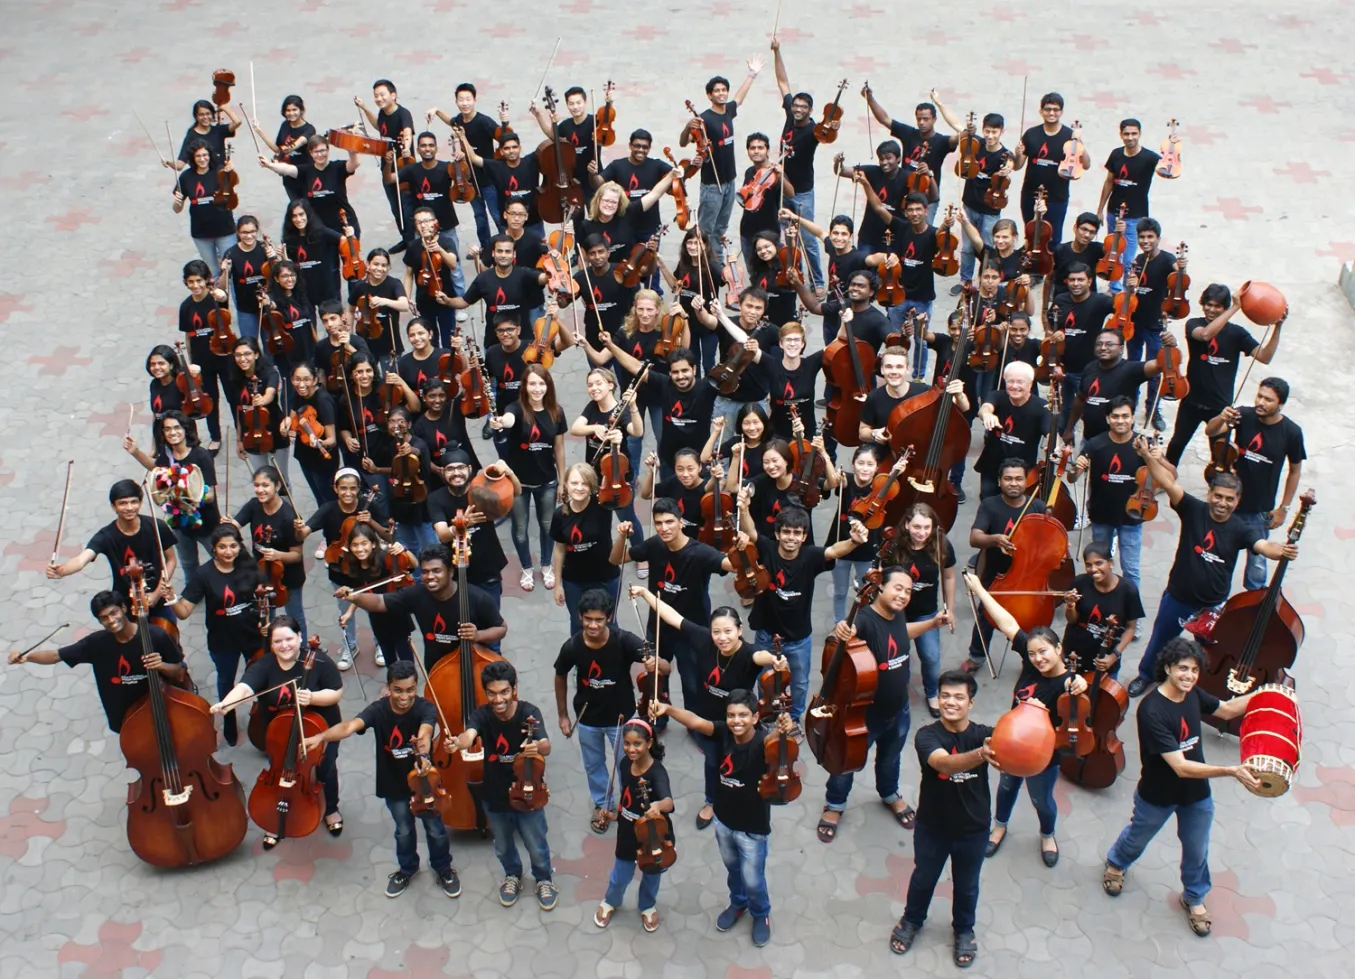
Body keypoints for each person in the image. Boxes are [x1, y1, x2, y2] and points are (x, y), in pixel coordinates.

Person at [1102, 639, 1265, 937]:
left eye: (1194, 670)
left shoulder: (1192, 694)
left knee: (1197, 850)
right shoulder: (1152, 710)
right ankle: (1117, 863)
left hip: (1196, 794)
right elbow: (1180, 767)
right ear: (1167, 668)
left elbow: (1227, 710)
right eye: (1182, 669)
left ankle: (1194, 897)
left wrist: (1267, 695)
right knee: (1138, 837)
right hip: (1158, 795)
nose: (1189, 675)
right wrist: (1231, 770)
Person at [1127, 436, 1300, 697]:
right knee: (1160, 640)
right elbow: (1167, 482)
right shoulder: (1192, 509)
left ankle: (1205, 689)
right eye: (1218, 496)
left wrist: (1283, 552)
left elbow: (1264, 546)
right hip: (1178, 596)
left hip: (1212, 605)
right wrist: (1148, 457)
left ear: (1237, 501)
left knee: (1211, 651)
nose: (1222, 503)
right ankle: (1146, 676)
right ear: (1209, 494)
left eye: (1229, 499)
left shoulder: (1242, 528)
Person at [303, 660, 460, 900]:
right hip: (393, 784)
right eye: (398, 690)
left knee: (436, 830)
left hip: (424, 782)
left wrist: (423, 751)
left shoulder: (425, 708)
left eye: (410, 690)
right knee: (404, 830)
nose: (405, 697)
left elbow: (426, 732)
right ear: (388, 687)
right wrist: (321, 737)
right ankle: (407, 869)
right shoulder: (378, 710)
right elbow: (348, 727)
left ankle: (443, 868)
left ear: (416, 687)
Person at [818, 566, 954, 842]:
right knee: (846, 762)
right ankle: (834, 804)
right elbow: (844, 633)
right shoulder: (865, 619)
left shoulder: (897, 614)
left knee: (891, 758)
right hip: (863, 714)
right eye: (897, 588)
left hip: (899, 709)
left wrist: (932, 624)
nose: (903, 595)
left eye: (908, 591)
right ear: (880, 587)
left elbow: (901, 633)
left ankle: (889, 793)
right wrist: (840, 630)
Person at [631, 588, 783, 835]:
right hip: (708, 721)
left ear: (740, 630)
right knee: (713, 763)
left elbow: (761, 655)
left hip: (739, 724)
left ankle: (742, 802)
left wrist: (775, 659)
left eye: (728, 631)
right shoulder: (703, 639)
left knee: (745, 765)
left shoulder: (748, 653)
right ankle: (712, 801)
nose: (722, 638)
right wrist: (645, 594)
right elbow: (672, 616)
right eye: (717, 632)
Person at [653, 691, 794, 948]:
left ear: (755, 718)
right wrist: (668, 709)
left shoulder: (765, 742)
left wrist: (785, 730)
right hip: (724, 821)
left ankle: (760, 914)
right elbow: (695, 721)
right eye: (731, 715)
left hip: (753, 828)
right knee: (733, 870)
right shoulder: (723, 732)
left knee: (753, 879)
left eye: (743, 715)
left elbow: (782, 744)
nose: (736, 721)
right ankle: (738, 903)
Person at [966, 573, 1087, 866]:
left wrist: (1081, 684)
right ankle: (999, 826)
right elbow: (1008, 623)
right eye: (1032, 654)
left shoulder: (1067, 683)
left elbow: (1078, 707)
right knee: (1006, 787)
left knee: (1041, 799)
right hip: (1011, 742)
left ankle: (1047, 834)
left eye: (1044, 651)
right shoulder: (1031, 664)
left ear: (1058, 649)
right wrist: (980, 589)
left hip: (1043, 754)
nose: (1038, 658)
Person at [889, 669, 996, 969]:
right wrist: (981, 755)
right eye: (945, 696)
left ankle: (964, 930)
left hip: (974, 829)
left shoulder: (984, 734)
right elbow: (944, 764)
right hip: (932, 828)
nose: (951, 702)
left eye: (959, 697)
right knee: (923, 879)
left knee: (967, 885)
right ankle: (912, 920)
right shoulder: (927, 735)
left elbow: (1022, 737)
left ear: (971, 703)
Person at [210, 615, 344, 842]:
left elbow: (336, 692)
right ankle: (276, 818)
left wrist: (312, 698)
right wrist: (227, 703)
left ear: (299, 637)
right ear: (271, 644)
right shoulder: (265, 665)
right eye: (278, 641)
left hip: (320, 731)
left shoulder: (319, 661)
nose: (284, 646)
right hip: (280, 734)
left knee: (325, 769)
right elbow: (245, 688)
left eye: (289, 639)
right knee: (281, 770)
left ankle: (330, 808)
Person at [443, 659, 559, 911]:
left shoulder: (529, 712)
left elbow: (546, 746)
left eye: (504, 692)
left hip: (529, 793)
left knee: (536, 844)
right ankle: (512, 876)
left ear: (514, 689)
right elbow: (469, 735)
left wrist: (537, 746)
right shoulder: (481, 715)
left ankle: (544, 879)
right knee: (503, 845)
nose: (498, 699)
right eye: (492, 693)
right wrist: (458, 743)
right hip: (495, 794)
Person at [553, 588, 666, 832]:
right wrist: (563, 715)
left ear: (609, 617)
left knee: (630, 764)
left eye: (599, 619)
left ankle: (631, 803)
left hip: (622, 718)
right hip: (587, 718)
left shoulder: (623, 640)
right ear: (579, 617)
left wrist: (656, 662)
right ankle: (603, 804)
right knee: (593, 765)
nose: (593, 625)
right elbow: (560, 675)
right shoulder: (572, 647)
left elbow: (664, 667)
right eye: (588, 619)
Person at [749, 505, 867, 726]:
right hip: (766, 635)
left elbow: (834, 551)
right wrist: (744, 507)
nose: (791, 537)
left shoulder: (810, 556)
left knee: (800, 683)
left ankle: (793, 719)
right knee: (764, 679)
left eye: (797, 533)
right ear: (777, 534)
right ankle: (766, 716)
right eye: (786, 531)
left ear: (804, 537)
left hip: (799, 638)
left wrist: (854, 541)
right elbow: (751, 532)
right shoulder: (767, 549)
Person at [8, 591, 184, 734]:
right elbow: (56, 656)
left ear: (123, 608)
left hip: (162, 706)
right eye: (104, 618)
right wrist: (27, 657)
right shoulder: (96, 643)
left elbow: (178, 671)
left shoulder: (156, 636)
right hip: (124, 714)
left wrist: (161, 666)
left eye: (113, 613)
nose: (111, 621)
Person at [612, 500, 728, 713]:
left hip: (690, 631)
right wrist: (622, 537)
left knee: (693, 685)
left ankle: (694, 724)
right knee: (656, 681)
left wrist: (741, 549)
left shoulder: (700, 552)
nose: (664, 528)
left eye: (669, 522)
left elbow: (729, 565)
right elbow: (615, 558)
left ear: (681, 522)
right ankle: (659, 718)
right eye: (658, 523)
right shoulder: (654, 545)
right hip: (658, 628)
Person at [1204, 377, 1305, 590]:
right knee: (1218, 553)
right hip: (1229, 502)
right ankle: (1214, 597)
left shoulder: (1291, 432)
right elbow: (1211, 431)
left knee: (1257, 561)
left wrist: (1284, 508)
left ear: (1280, 404)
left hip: (1259, 509)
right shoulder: (1243, 415)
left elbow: (1295, 471)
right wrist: (1221, 417)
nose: (1261, 402)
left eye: (1268, 400)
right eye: (1259, 396)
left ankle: (1255, 598)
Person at [339, 544, 506, 673]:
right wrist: (355, 596)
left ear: (450, 571)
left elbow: (501, 628)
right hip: (436, 666)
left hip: (474, 664)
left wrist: (478, 635)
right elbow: (378, 602)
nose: (430, 577)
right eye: (425, 572)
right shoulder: (417, 594)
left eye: (436, 571)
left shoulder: (477, 597)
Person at [1166, 284, 1283, 466]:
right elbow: (1206, 335)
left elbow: (1264, 357)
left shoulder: (1237, 334)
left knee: (1220, 456)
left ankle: (1217, 483)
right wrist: (1235, 307)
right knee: (1176, 445)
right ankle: (1164, 477)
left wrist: (1277, 327)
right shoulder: (1194, 324)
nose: (1212, 310)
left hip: (1220, 408)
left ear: (1224, 307)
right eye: (1208, 305)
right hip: (1192, 401)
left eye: (1218, 306)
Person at [165, 524, 260, 745]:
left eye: (233, 546)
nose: (229, 552)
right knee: (226, 681)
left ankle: (262, 718)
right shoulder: (204, 574)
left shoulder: (248, 566)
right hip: (222, 640)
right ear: (214, 549)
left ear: (240, 546)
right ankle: (229, 720)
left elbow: (263, 597)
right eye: (222, 547)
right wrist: (172, 599)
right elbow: (184, 612)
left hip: (252, 636)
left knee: (260, 678)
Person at [294, 467, 390, 667]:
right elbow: (303, 534)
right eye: (343, 488)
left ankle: (381, 642)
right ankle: (350, 645)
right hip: (340, 568)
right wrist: (299, 529)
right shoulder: (328, 509)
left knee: (374, 609)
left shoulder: (368, 506)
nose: (348, 493)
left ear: (358, 489)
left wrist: (372, 522)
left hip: (368, 568)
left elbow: (388, 536)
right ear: (335, 489)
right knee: (345, 611)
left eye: (353, 488)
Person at [47, 480, 178, 624]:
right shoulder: (106, 536)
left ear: (140, 503)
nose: (129, 508)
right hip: (125, 602)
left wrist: (157, 593)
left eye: (134, 502)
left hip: (160, 597)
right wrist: (62, 571)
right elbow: (80, 560)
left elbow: (171, 560)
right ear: (113, 506)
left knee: (167, 634)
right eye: (122, 503)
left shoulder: (157, 526)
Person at [1067, 396, 1163, 589]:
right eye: (1115, 416)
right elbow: (1071, 478)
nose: (1120, 421)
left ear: (1133, 418)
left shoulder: (1143, 445)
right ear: (1108, 419)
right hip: (1101, 515)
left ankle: (1131, 607)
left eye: (1125, 416)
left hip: (1133, 515)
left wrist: (1157, 459)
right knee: (1099, 567)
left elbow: (1170, 476)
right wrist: (1077, 467)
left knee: (1131, 570)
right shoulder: (1095, 444)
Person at [964, 458, 1047, 672]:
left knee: (1029, 621)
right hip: (995, 574)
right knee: (985, 618)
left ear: (1026, 481)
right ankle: (977, 656)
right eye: (1008, 479)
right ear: (999, 481)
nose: (1014, 483)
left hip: (1027, 576)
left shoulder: (1037, 507)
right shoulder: (990, 505)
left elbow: (1047, 542)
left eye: (1019, 479)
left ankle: (1030, 658)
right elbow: (974, 538)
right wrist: (995, 539)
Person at [489, 364, 566, 591]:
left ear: (548, 386)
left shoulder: (556, 412)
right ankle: (526, 567)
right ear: (524, 385)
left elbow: (559, 449)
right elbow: (509, 419)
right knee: (520, 529)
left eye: (541, 383)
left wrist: (562, 481)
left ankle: (546, 564)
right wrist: (500, 422)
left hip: (547, 481)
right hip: (517, 482)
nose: (537, 388)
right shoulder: (515, 408)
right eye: (532, 383)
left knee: (547, 525)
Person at [593, 717, 675, 932]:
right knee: (620, 874)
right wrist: (616, 815)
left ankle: (647, 905)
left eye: (637, 744)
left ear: (649, 743)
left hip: (653, 834)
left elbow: (669, 802)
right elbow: (627, 796)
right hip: (628, 830)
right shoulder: (624, 764)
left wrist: (657, 805)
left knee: (652, 874)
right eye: (627, 744)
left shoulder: (657, 772)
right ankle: (611, 901)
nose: (631, 749)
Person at [682, 56, 765, 264]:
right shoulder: (704, 119)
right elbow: (685, 142)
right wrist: (687, 126)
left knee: (720, 228)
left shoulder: (728, 111)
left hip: (729, 181)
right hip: (712, 184)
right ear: (709, 95)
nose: (721, 93)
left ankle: (717, 263)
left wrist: (752, 74)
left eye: (724, 90)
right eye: (717, 91)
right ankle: (702, 264)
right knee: (706, 229)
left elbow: (739, 98)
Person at [123, 410, 221, 582]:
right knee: (188, 564)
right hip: (179, 522)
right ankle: (193, 592)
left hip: (206, 522)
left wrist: (187, 494)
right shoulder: (167, 453)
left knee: (220, 557)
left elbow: (211, 495)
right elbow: (156, 469)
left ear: (185, 429)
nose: (172, 433)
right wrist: (135, 451)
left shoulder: (201, 456)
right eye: (167, 429)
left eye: (177, 428)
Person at [1097, 119, 1179, 290]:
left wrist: (1174, 148)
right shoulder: (1116, 154)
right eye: (1126, 134)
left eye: (1134, 133)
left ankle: (1127, 292)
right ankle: (1114, 289)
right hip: (1114, 213)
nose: (1130, 137)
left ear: (1140, 134)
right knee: (1113, 254)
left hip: (1135, 216)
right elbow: (1109, 182)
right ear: (1121, 135)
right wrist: (1100, 210)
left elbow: (1170, 170)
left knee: (1128, 259)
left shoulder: (1149, 158)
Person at [770, 36, 825, 290]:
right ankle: (794, 274)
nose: (798, 109)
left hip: (802, 192)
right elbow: (782, 81)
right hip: (782, 187)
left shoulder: (813, 131)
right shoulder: (790, 117)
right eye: (796, 105)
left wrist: (833, 125)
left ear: (810, 111)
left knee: (807, 238)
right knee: (787, 235)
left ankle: (818, 281)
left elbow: (828, 134)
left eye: (803, 107)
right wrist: (777, 51)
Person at [427, 455, 514, 612]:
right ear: (442, 472)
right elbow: (443, 535)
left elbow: (517, 492)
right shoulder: (435, 499)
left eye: (460, 467)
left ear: (469, 469)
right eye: (450, 469)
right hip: (456, 573)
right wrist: (462, 524)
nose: (456, 473)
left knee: (491, 617)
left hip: (488, 568)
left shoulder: (482, 490)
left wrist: (510, 473)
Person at [227, 465, 307, 634]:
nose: (260, 490)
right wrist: (228, 526)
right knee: (266, 616)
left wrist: (278, 555)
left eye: (265, 485)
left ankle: (301, 645)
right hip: (262, 572)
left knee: (295, 616)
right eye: (257, 485)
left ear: (277, 486)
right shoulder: (254, 505)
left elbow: (297, 555)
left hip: (288, 576)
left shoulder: (289, 516)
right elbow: (235, 524)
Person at [1063, 326, 1177, 443]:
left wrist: (1171, 348)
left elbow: (1160, 365)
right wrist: (1069, 429)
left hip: (1119, 443)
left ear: (1121, 349)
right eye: (1099, 344)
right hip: (1089, 440)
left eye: (1109, 344)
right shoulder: (1089, 368)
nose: (1103, 348)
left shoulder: (1132, 370)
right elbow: (1080, 399)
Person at [866, 86, 963, 223]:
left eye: (926, 119)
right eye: (919, 119)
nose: (921, 123)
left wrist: (940, 104)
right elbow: (884, 119)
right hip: (905, 193)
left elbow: (962, 134)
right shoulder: (909, 133)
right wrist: (870, 99)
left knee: (923, 230)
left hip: (927, 197)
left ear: (934, 119)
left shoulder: (942, 141)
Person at [896, 503, 958, 716]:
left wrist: (950, 609)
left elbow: (949, 576)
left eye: (926, 527)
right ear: (906, 525)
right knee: (898, 658)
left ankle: (932, 693)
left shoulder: (941, 545)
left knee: (931, 657)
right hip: (898, 613)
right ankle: (899, 693)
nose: (922, 533)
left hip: (927, 612)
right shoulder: (893, 545)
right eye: (917, 527)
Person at [427, 83, 502, 250]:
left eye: (468, 99)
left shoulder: (484, 122)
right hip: (469, 180)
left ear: (475, 100)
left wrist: (498, 160)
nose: (465, 103)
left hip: (488, 178)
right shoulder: (459, 120)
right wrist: (437, 111)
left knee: (497, 215)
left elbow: (502, 137)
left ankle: (506, 246)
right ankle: (485, 248)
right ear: (456, 102)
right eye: (461, 100)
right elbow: (450, 121)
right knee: (479, 217)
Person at [1012, 92, 1088, 248]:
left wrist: (1079, 141)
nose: (1051, 113)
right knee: (1030, 235)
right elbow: (1017, 166)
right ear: (1041, 111)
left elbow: (1086, 165)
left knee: (1053, 239)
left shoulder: (1069, 136)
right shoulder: (1031, 134)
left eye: (1055, 109)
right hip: (1030, 194)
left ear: (1061, 112)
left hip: (1056, 197)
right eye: (1047, 109)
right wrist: (1018, 154)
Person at [551, 463, 619, 635]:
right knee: (578, 623)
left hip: (605, 576)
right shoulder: (560, 515)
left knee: (609, 623)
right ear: (566, 484)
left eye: (585, 483)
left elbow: (617, 489)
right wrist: (558, 584)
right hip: (574, 580)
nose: (579, 488)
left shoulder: (602, 505)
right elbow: (559, 549)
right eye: (574, 483)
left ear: (592, 487)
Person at [1047, 264, 1116, 428]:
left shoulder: (1101, 301)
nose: (1076, 284)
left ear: (1089, 281)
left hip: (1088, 368)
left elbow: (1124, 309)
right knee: (1063, 408)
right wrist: (1055, 334)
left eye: (1080, 279)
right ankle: (1064, 437)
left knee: (1089, 410)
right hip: (1062, 367)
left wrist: (1130, 290)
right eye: (1072, 280)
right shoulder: (1060, 300)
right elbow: (1051, 324)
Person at [1061, 541, 1144, 676]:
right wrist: (1070, 606)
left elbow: (1130, 628)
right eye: (1088, 565)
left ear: (1110, 563)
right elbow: (1072, 621)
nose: (1093, 569)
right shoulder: (1080, 582)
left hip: (1105, 659)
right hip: (1075, 653)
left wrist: (1114, 656)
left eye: (1099, 563)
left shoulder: (1128, 590)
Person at [828, 447, 892, 621]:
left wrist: (896, 471)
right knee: (840, 591)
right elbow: (832, 480)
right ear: (853, 464)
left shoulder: (879, 488)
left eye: (870, 464)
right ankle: (838, 623)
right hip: (842, 543)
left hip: (867, 548)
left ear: (877, 467)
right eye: (860, 463)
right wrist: (827, 458)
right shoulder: (846, 481)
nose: (864, 468)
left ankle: (860, 623)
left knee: (866, 591)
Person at [339, 524, 416, 667]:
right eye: (355, 545)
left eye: (364, 543)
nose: (360, 549)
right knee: (387, 654)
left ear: (373, 544)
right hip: (376, 615)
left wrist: (404, 549)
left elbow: (413, 565)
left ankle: (410, 677)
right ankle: (392, 678)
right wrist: (348, 613)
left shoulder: (385, 558)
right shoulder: (354, 566)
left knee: (405, 653)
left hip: (396, 611)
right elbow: (360, 592)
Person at [259, 133, 362, 239]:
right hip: (322, 229)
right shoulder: (306, 171)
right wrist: (269, 165)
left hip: (345, 224)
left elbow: (355, 163)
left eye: (322, 150)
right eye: (316, 152)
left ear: (328, 150)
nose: (320, 155)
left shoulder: (338, 167)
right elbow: (286, 169)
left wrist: (352, 151)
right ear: (311, 153)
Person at [176, 258, 231, 449]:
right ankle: (215, 437)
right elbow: (188, 336)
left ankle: (242, 435)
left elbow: (224, 298)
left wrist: (222, 294)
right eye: (191, 282)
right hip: (202, 361)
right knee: (209, 399)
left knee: (233, 396)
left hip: (224, 355)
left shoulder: (216, 299)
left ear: (206, 279)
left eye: (199, 280)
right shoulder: (186, 307)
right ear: (186, 282)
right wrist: (191, 362)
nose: (195, 285)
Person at [975, 361, 1048, 499]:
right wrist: (987, 414)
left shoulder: (1041, 407)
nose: (1014, 386)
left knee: (1015, 504)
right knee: (987, 498)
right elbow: (985, 408)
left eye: (1020, 382)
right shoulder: (998, 396)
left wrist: (1054, 445)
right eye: (1010, 381)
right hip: (992, 464)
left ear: (1030, 384)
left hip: (1020, 470)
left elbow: (1049, 431)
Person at [956, 113, 1013, 290]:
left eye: (994, 132)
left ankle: (986, 278)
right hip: (969, 204)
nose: (990, 136)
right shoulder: (976, 145)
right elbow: (957, 127)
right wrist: (940, 104)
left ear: (1002, 132)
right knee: (967, 248)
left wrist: (1008, 168)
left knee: (987, 248)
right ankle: (965, 280)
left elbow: (1011, 162)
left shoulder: (1004, 155)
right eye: (987, 131)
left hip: (990, 209)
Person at [280, 362, 340, 507]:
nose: (301, 384)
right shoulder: (298, 394)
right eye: (297, 379)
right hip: (304, 455)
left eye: (306, 379)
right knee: (319, 498)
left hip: (322, 460)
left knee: (329, 501)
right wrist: (286, 423)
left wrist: (320, 443)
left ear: (315, 380)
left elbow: (332, 439)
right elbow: (293, 417)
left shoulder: (323, 401)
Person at [173, 140, 237, 268]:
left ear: (210, 155)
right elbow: (177, 209)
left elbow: (231, 195)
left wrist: (231, 173)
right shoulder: (186, 177)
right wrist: (177, 202)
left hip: (225, 230)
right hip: (201, 233)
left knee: (230, 268)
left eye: (205, 155)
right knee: (212, 270)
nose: (202, 159)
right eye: (198, 156)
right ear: (193, 157)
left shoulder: (220, 171)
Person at [837, 136, 907, 251]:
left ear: (898, 159)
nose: (884, 162)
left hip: (892, 238)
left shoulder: (907, 178)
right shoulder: (873, 172)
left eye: (888, 158)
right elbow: (842, 171)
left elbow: (929, 197)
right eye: (881, 159)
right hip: (868, 237)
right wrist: (838, 162)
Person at [737, 138, 794, 270]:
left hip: (769, 232)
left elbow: (791, 193)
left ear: (767, 150)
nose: (756, 151)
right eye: (752, 148)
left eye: (760, 148)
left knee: (771, 271)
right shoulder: (750, 172)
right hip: (747, 230)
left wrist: (780, 176)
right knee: (752, 270)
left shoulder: (776, 174)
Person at [249, 94, 314, 201]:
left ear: (301, 110)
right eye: (288, 110)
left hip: (305, 175)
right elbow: (277, 149)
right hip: (288, 175)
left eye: (294, 110)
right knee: (295, 204)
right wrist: (259, 131)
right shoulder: (285, 125)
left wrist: (290, 148)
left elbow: (301, 141)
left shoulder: (309, 129)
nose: (291, 113)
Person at [281, 198, 344, 304]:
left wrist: (350, 235)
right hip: (303, 290)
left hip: (325, 288)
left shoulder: (322, 232)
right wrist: (284, 258)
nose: (298, 219)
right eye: (294, 216)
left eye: (301, 214)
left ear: (308, 214)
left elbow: (344, 241)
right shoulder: (289, 239)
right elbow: (291, 267)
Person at [217, 214, 270, 340]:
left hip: (266, 304)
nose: (249, 236)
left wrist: (275, 258)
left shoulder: (264, 249)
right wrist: (225, 271)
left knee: (270, 344)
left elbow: (277, 275)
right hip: (245, 308)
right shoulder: (231, 253)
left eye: (252, 231)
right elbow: (222, 287)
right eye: (244, 232)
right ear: (238, 233)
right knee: (249, 343)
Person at [172, 98, 240, 170]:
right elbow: (179, 165)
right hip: (201, 175)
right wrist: (167, 162)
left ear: (212, 115)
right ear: (196, 117)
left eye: (208, 114)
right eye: (201, 115)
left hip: (220, 174)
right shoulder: (191, 136)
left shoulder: (218, 130)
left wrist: (224, 107)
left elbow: (237, 122)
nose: (205, 117)